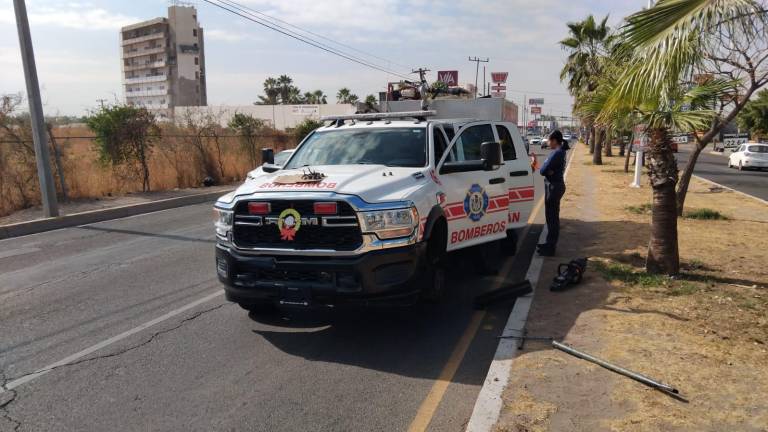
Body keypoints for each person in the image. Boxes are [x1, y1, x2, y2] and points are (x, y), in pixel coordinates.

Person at [537, 130, 568, 256]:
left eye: (549, 140)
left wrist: (547, 170)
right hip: (555, 185)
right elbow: (545, 169)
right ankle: (549, 243)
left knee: (552, 218)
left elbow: (543, 170)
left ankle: (550, 247)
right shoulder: (560, 151)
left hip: (553, 187)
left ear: (554, 140)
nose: (547, 142)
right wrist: (547, 170)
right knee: (551, 217)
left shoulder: (557, 153)